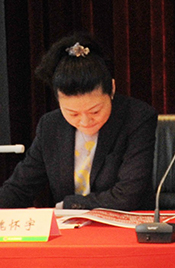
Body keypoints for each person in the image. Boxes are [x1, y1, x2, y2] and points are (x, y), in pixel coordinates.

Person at [0, 33, 157, 210]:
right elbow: (19, 188)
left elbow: (128, 195)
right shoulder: (50, 126)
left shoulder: (137, 117)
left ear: (112, 89)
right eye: (72, 113)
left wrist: (67, 205)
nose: (85, 121)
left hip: (125, 222)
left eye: (95, 111)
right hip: (71, 224)